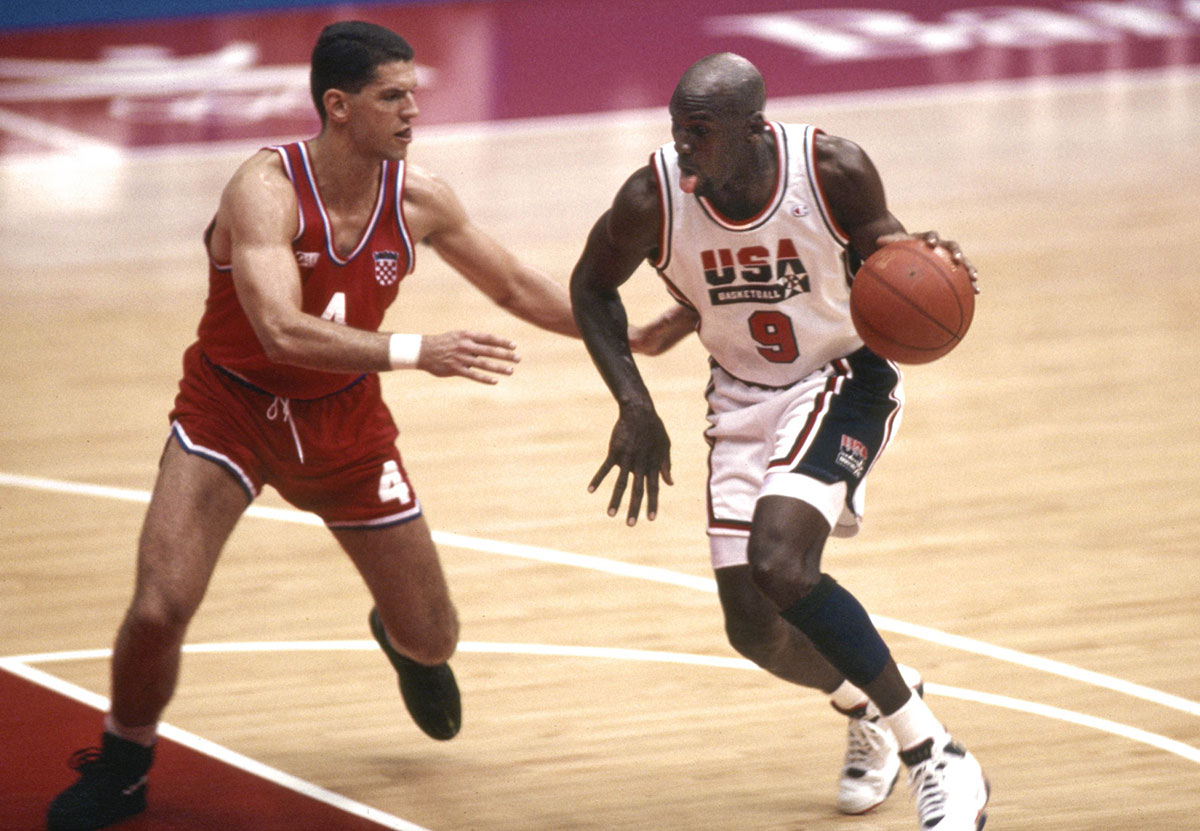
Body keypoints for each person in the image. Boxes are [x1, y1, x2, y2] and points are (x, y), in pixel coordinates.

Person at [46, 21, 672, 831]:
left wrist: (624, 336)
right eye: (393, 96)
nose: (413, 110)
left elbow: (515, 285)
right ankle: (125, 761)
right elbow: (280, 328)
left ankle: (399, 636)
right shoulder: (264, 187)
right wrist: (419, 350)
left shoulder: (420, 198)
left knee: (435, 637)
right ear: (338, 106)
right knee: (161, 606)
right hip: (231, 409)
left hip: (345, 423)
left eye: (414, 93)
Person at [570, 52, 990, 830]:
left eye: (700, 133)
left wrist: (925, 256)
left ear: (754, 131)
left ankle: (935, 753)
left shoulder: (830, 168)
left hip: (841, 377)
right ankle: (874, 696)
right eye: (676, 129)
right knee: (753, 626)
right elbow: (590, 287)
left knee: (780, 561)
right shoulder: (651, 195)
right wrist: (633, 403)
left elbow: (894, 263)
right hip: (740, 390)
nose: (683, 147)